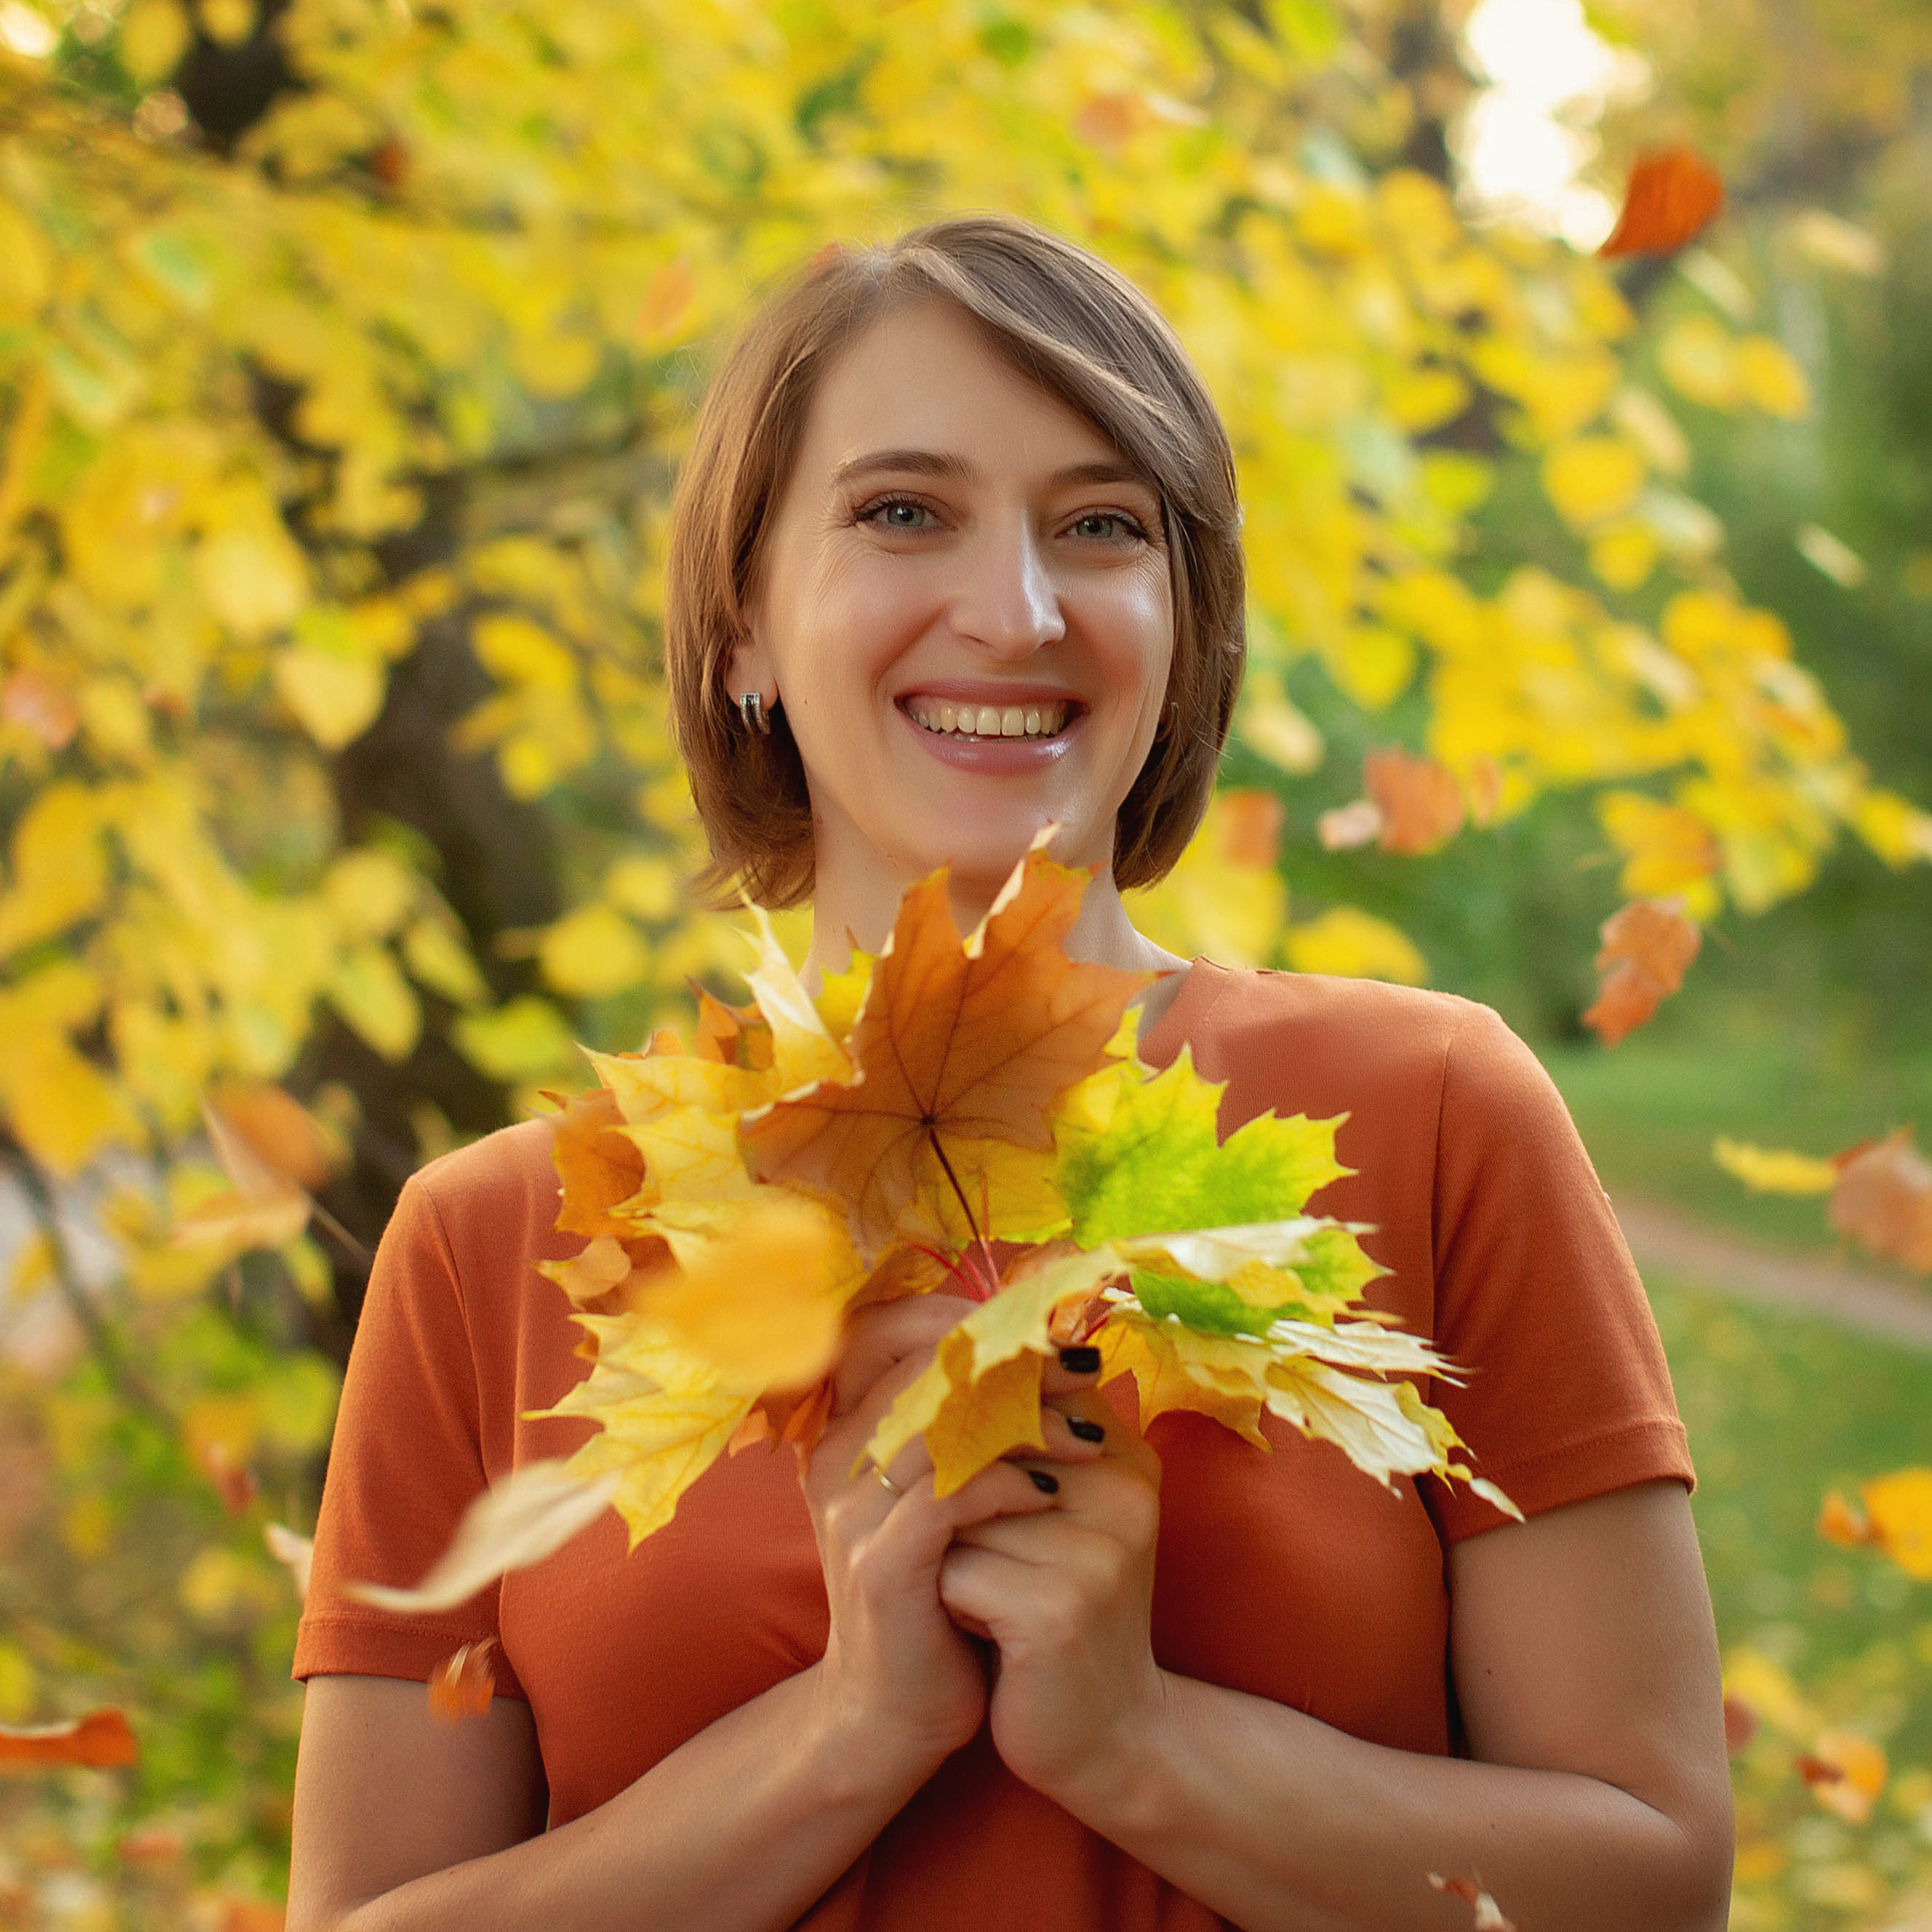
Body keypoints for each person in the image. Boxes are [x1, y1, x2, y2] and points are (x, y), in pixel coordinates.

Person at [286, 216, 1734, 1932]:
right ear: (742, 627)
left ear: (1184, 627)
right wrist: (845, 1735)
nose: (1014, 609)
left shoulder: (1427, 1113)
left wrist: (1138, 1745)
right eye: (904, 512)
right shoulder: (496, 1245)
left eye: (1100, 525)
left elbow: (1651, 1884)